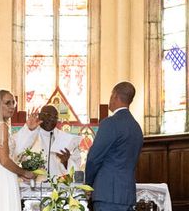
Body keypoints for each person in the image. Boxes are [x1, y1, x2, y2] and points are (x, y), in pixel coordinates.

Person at [85, 82, 143, 211]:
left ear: (115, 96)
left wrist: (88, 184)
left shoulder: (110, 123)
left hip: (108, 195)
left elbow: (94, 158)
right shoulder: (136, 127)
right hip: (127, 195)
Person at [14, 104, 82, 176]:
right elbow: (16, 153)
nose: (52, 119)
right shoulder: (28, 133)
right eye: (48, 115)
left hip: (57, 183)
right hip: (33, 183)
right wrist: (29, 130)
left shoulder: (64, 138)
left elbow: (76, 167)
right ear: (40, 116)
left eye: (55, 117)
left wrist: (65, 162)